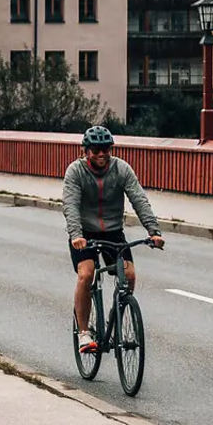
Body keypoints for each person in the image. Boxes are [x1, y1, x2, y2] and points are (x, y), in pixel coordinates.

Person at [63, 125, 164, 354]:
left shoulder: (121, 169)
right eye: (96, 149)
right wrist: (76, 235)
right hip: (84, 233)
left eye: (106, 149)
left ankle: (115, 319)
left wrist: (153, 231)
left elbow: (138, 198)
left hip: (113, 231)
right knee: (87, 274)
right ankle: (84, 333)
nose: (102, 154)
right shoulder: (75, 171)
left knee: (128, 275)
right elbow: (70, 206)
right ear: (86, 151)